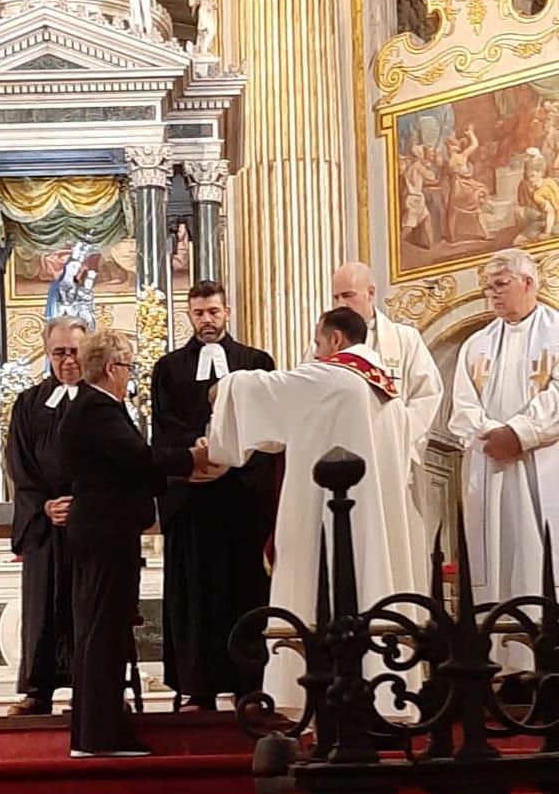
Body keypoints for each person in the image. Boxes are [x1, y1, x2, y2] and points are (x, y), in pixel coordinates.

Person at [209, 307, 420, 713]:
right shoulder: (387, 390)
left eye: (318, 343)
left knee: (325, 596)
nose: (316, 352)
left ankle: (311, 696)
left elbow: (266, 389)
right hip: (371, 516)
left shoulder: (333, 376)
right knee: (371, 593)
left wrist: (220, 390)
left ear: (336, 340)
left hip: (331, 518)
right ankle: (384, 697)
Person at [58, 330, 208, 757]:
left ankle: (93, 732)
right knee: (104, 631)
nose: (129, 377)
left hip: (101, 528)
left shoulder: (90, 406)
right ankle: (100, 736)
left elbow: (130, 462)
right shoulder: (99, 409)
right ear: (111, 368)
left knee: (99, 629)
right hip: (106, 530)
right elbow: (138, 458)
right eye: (127, 368)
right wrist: (191, 460)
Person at [151, 280, 277, 711]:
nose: (207, 320)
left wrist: (228, 456)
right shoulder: (168, 369)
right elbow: (164, 428)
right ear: (189, 315)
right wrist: (201, 453)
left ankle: (251, 684)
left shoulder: (256, 362)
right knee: (195, 595)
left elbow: (267, 427)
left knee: (246, 590)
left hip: (242, 500)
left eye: (214, 312)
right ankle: (197, 686)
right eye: (199, 313)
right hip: (194, 500)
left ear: (227, 312)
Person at [449, 249, 559, 637]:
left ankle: (546, 655)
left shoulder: (556, 331)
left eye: (501, 285)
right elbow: (461, 406)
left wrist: (518, 433)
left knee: (541, 556)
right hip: (490, 466)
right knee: (495, 564)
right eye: (488, 287)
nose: (492, 295)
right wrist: (491, 435)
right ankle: (501, 664)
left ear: (529, 282)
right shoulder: (474, 344)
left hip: (543, 464)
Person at [331, 261, 443, 552]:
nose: (340, 304)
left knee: (394, 543)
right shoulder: (328, 341)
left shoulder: (405, 339)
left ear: (370, 293)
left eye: (347, 295)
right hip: (344, 457)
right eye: (335, 297)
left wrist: (397, 436)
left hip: (391, 457)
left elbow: (428, 394)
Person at [6, 316, 87, 715]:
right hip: (44, 525)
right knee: (42, 606)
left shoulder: (99, 402)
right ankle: (38, 691)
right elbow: (19, 465)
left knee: (84, 609)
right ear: (47, 354)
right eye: (60, 352)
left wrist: (81, 504)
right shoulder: (29, 404)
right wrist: (44, 506)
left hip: (88, 525)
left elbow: (115, 460)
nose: (68, 360)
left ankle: (89, 689)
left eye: (75, 351)